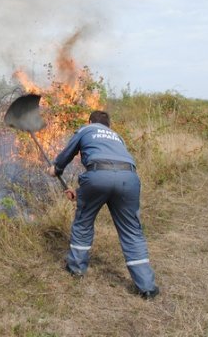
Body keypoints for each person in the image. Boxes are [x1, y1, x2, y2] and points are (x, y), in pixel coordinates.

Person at [47, 110, 159, 299]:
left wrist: (56, 168)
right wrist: (80, 192)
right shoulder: (118, 137)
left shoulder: (86, 129)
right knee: (132, 231)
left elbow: (69, 153)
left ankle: (76, 269)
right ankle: (147, 287)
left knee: (83, 222)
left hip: (98, 177)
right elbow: (113, 168)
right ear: (109, 125)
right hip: (129, 178)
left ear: (90, 121)